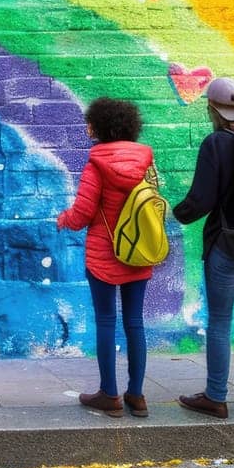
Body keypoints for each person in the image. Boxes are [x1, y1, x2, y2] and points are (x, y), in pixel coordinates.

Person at [172, 78, 234, 420]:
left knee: (220, 321)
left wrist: (176, 215)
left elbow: (202, 199)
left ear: (212, 109)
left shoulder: (216, 143)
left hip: (230, 245)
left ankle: (216, 396)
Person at [56, 98, 156, 418]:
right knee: (135, 322)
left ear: (100, 127)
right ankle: (137, 395)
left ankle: (110, 394)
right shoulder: (145, 161)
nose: (87, 127)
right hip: (138, 252)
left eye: (91, 123)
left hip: (104, 253)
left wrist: (64, 219)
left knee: (105, 321)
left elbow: (83, 213)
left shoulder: (96, 164)